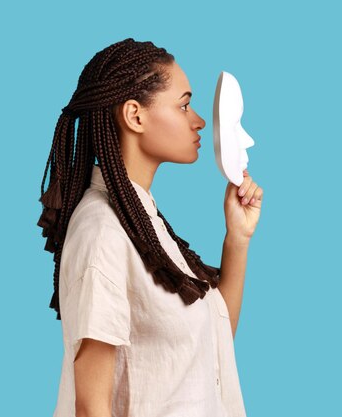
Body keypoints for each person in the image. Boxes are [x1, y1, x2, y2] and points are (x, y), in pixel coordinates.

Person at [37, 38, 263, 417]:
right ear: (135, 115)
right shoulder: (102, 232)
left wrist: (237, 238)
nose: (199, 121)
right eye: (184, 105)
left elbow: (213, 346)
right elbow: (91, 408)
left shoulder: (142, 221)